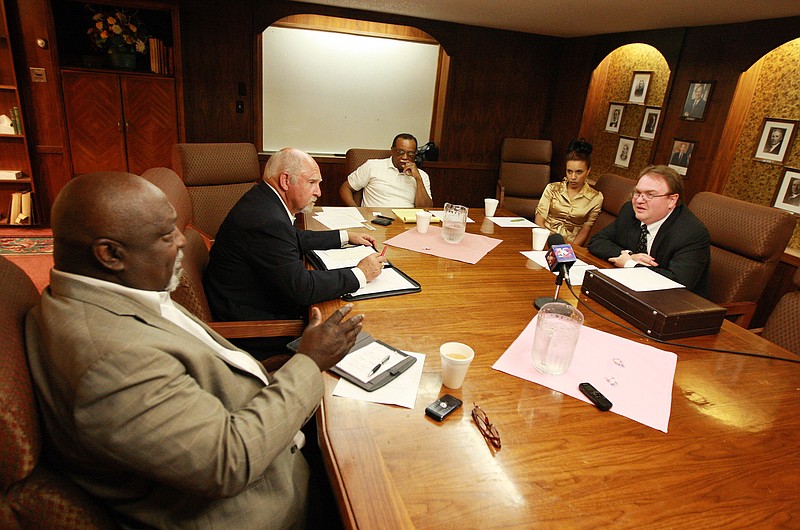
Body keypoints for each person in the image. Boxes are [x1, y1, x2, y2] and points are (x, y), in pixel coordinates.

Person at [25, 172, 365, 528]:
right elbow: (230, 461)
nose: (181, 242)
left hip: (271, 431)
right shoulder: (108, 361)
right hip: (268, 504)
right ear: (110, 254)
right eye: (165, 234)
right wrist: (309, 361)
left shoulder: (114, 292)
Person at [205, 147, 386, 358]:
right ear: (285, 181)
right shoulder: (267, 220)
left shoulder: (263, 200)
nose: (318, 192)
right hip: (256, 328)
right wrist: (361, 273)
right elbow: (303, 288)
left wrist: (344, 236)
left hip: (246, 300)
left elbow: (291, 238)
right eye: (312, 183)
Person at [588, 165, 710, 296]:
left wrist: (629, 264)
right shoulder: (630, 211)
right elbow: (597, 241)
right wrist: (629, 256)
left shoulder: (691, 233)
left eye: (650, 195)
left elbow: (677, 283)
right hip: (631, 290)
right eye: (638, 193)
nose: (639, 200)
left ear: (672, 200)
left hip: (672, 304)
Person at [535, 139, 603, 246]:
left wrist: (570, 249)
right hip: (545, 238)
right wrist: (545, 239)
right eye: (569, 171)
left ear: (588, 171)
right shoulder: (552, 188)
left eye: (579, 172)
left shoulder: (596, 198)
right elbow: (539, 218)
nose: (573, 177)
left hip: (570, 243)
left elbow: (586, 229)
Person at [339, 133, 433, 208]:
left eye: (410, 153)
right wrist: (357, 211)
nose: (405, 157)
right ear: (392, 150)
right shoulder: (373, 166)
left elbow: (426, 209)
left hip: (406, 224)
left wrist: (418, 179)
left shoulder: (421, 175)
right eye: (400, 152)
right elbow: (345, 188)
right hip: (375, 221)